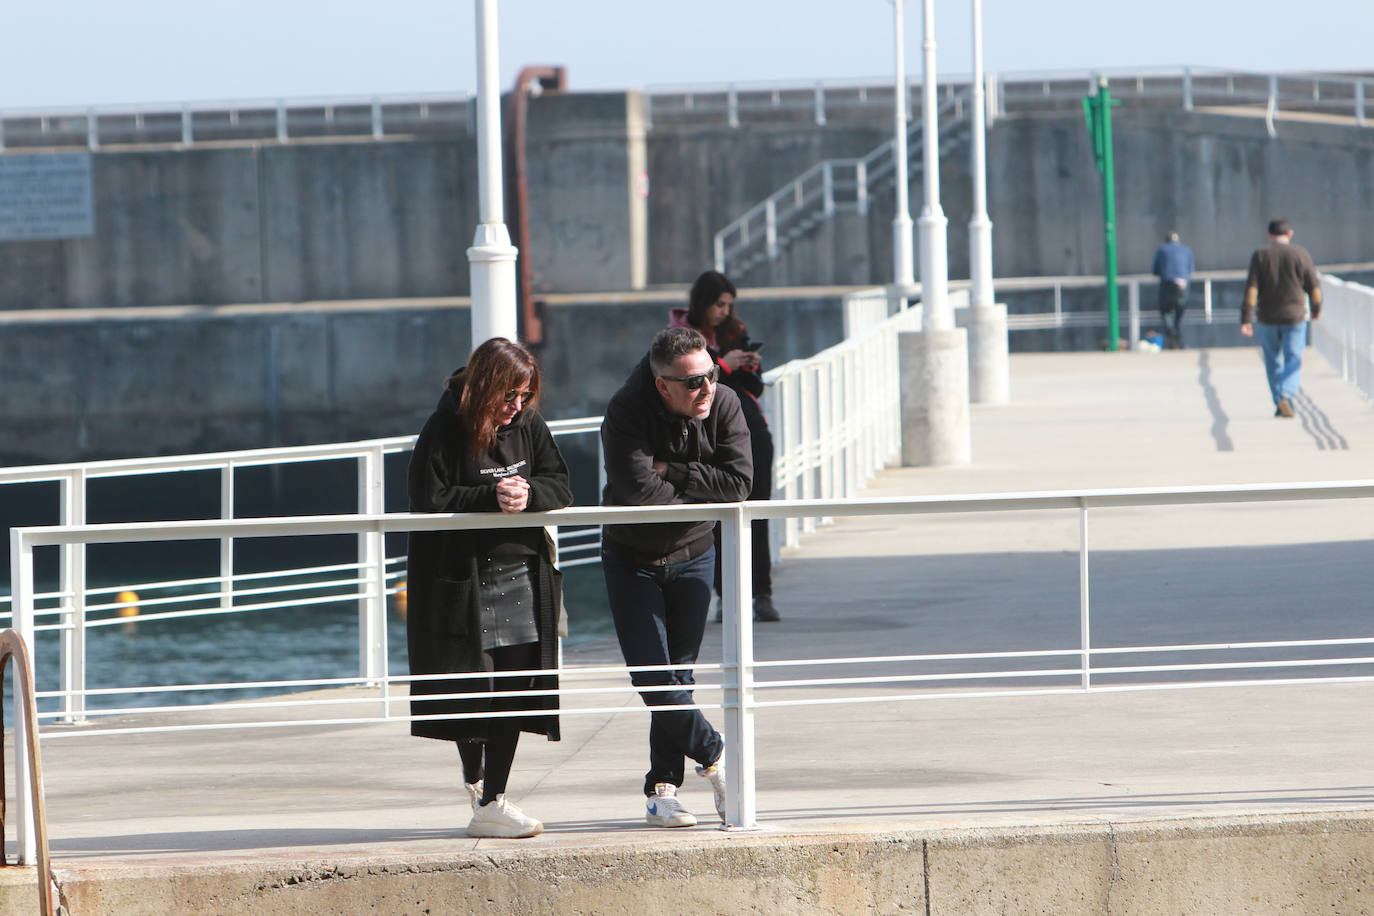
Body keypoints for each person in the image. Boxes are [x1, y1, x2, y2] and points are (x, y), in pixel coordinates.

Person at [406, 337, 573, 838]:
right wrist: (490, 495)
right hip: (466, 579)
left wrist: (527, 493)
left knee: (517, 690)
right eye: (508, 396)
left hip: (522, 571)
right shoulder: (445, 426)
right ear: (484, 388)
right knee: (476, 687)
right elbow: (428, 496)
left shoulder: (527, 424)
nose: (516, 406)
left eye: (524, 396)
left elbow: (561, 484)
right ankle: (478, 780)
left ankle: (494, 799)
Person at [599, 326, 753, 828]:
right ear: (661, 384)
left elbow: (739, 485)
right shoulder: (627, 410)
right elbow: (639, 494)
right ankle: (718, 759)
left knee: (678, 679)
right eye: (692, 384)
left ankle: (661, 792)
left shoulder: (724, 402)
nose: (706, 388)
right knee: (653, 676)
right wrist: (690, 489)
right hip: (632, 559)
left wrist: (676, 471)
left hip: (694, 554)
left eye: (709, 375)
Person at [669, 270, 781, 622]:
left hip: (752, 431)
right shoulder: (681, 336)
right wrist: (722, 365)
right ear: (703, 302)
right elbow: (681, 381)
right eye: (719, 304)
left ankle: (761, 593)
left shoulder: (735, 330)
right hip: (707, 437)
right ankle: (724, 597)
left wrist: (748, 366)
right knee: (716, 518)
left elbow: (756, 388)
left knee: (758, 513)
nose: (724, 311)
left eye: (729, 305)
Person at [1240, 218, 1323, 419]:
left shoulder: (1260, 255)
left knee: (1272, 361)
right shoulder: (1301, 254)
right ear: (1290, 234)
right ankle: (1287, 394)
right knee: (1293, 358)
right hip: (1295, 317)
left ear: (1269, 235)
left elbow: (1252, 290)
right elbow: (1314, 288)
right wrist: (1316, 309)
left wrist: (1246, 318)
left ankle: (1279, 400)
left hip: (1267, 317)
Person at [1152, 231, 1195, 349]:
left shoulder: (1162, 250)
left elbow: (1155, 270)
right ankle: (1178, 339)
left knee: (1165, 311)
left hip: (1167, 283)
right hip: (1183, 285)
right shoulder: (1187, 250)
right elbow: (1190, 270)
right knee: (1180, 312)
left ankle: (1172, 336)